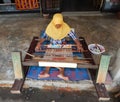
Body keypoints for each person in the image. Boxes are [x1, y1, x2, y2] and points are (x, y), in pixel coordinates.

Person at [35, 13, 83, 81]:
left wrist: (78, 44)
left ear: (62, 23)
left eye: (59, 25)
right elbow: (44, 37)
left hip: (62, 45)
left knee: (63, 58)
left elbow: (74, 37)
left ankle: (61, 73)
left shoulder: (66, 27)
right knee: (49, 57)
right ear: (53, 22)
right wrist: (39, 43)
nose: (58, 27)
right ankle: (46, 72)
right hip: (52, 45)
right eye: (56, 25)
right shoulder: (50, 28)